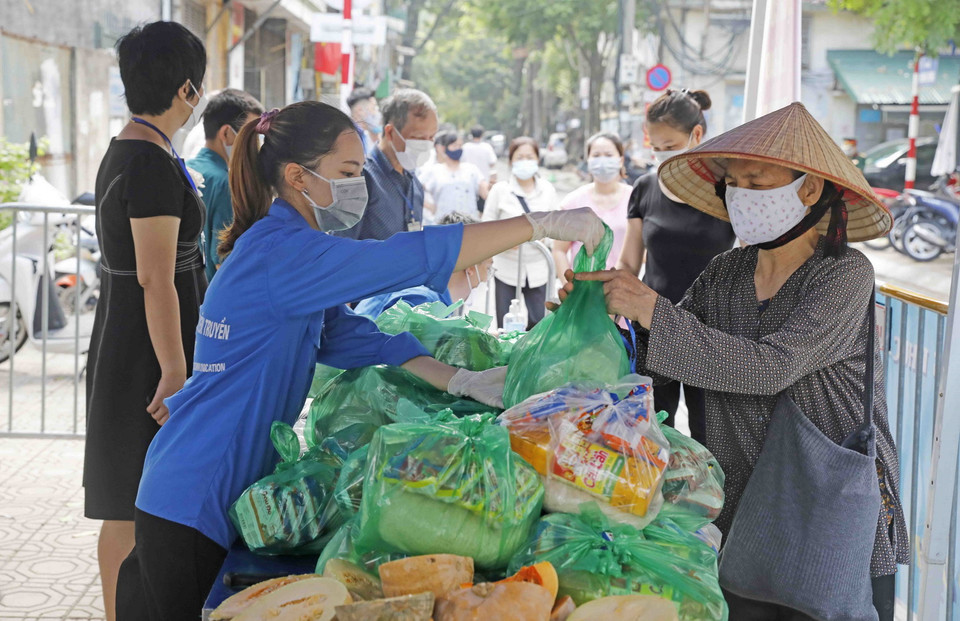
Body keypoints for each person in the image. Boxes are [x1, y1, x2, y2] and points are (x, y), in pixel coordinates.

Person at [114, 100, 604, 620]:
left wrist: (458, 379)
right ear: (298, 176)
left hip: (200, 479)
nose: (359, 186)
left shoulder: (288, 243)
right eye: (347, 173)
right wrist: (538, 224)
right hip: (195, 491)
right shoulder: (283, 253)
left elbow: (347, 335)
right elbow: (401, 258)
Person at [559, 102, 907, 620]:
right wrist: (602, 317)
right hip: (740, 508)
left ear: (808, 190)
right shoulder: (726, 271)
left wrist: (650, 307)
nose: (741, 194)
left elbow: (770, 368)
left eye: (757, 181)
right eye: (735, 182)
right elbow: (669, 352)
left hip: (820, 502)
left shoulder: (844, 275)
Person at [82, 21, 207, 621]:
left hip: (136, 341)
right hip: (146, 353)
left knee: (134, 499)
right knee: (130, 503)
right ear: (186, 88)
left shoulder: (141, 149)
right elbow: (156, 276)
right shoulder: (150, 162)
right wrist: (175, 368)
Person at [615, 89, 735, 443]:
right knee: (651, 433)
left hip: (712, 332)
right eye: (656, 146)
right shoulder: (645, 187)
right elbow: (629, 261)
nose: (662, 154)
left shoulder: (726, 188)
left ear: (696, 136)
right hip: (652, 327)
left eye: (670, 145)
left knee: (709, 435)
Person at [335, 88, 437, 240]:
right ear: (390, 132)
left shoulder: (414, 184)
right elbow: (340, 246)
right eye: (418, 138)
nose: (427, 145)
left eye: (431, 137)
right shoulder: (360, 178)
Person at [353, 212, 492, 319]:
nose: (485, 279)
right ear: (470, 265)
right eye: (487, 268)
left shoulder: (427, 291)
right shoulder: (422, 300)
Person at [482, 136, 558, 329]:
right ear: (510, 161)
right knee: (506, 325)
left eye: (529, 156)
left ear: (537, 159)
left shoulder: (548, 190)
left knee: (539, 322)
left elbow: (556, 227)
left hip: (539, 269)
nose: (525, 161)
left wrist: (542, 239)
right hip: (506, 269)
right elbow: (486, 228)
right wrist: (506, 240)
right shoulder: (500, 190)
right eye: (519, 157)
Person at [188, 89, 264, 281]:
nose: (257, 144)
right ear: (227, 133)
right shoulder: (225, 184)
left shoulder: (187, 169)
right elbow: (224, 261)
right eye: (251, 135)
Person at [553, 132, 631, 278]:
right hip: (583, 293)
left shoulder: (635, 199)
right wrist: (570, 288)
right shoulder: (573, 202)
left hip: (624, 293)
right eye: (596, 155)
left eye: (608, 155)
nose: (602, 161)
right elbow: (559, 250)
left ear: (620, 160)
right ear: (588, 161)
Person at [420, 131, 489, 222]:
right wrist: (429, 206)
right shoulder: (434, 171)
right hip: (443, 223)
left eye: (460, 146)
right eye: (454, 145)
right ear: (445, 148)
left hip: (470, 222)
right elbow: (415, 189)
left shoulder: (471, 169)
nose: (458, 148)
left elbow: (484, 190)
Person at [347, 87, 381, 155]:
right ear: (360, 110)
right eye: (373, 108)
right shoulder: (349, 139)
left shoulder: (370, 136)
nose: (377, 113)